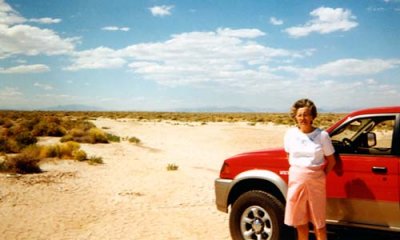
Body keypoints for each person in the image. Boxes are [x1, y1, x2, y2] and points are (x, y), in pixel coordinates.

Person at [283, 98, 336, 240]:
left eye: (306, 114)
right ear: (295, 116)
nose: (303, 118)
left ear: (312, 116)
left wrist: (319, 175)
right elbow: (289, 156)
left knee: (319, 224)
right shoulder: (290, 134)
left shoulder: (322, 136)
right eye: (300, 115)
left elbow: (331, 161)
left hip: (316, 182)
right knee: (300, 223)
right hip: (296, 182)